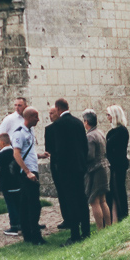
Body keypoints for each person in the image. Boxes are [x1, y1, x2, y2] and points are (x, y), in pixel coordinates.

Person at [44, 100, 88, 242]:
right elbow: (84, 146)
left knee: (71, 200)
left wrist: (59, 166)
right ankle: (86, 230)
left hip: (66, 168)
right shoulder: (78, 123)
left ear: (58, 108)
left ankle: (75, 234)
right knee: (82, 198)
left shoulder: (58, 125)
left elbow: (59, 149)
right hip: (79, 166)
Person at [0, 96, 30, 235]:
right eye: (15, 105)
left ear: (25, 105)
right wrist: (9, 142)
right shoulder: (10, 119)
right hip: (14, 155)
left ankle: (27, 221)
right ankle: (16, 223)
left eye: (19, 105)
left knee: (24, 195)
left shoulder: (27, 118)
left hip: (25, 158)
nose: (17, 108)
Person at [9, 107, 44, 244]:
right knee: (34, 204)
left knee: (25, 204)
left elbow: (28, 152)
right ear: (29, 117)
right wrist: (27, 171)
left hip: (32, 170)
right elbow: (16, 153)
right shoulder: (19, 133)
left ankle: (27, 234)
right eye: (36, 117)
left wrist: (40, 155)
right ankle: (35, 234)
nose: (38, 119)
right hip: (27, 173)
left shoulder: (30, 131)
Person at [81, 109, 111, 233]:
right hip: (104, 166)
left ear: (86, 122)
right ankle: (109, 226)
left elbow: (90, 156)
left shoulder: (90, 136)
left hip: (96, 169)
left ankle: (100, 229)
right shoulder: (100, 132)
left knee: (94, 200)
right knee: (103, 199)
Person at [104, 105, 130, 223]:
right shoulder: (112, 132)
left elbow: (118, 149)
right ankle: (112, 217)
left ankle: (122, 214)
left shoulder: (122, 131)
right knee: (112, 191)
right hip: (112, 165)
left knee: (119, 189)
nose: (107, 117)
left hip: (118, 165)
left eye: (109, 115)